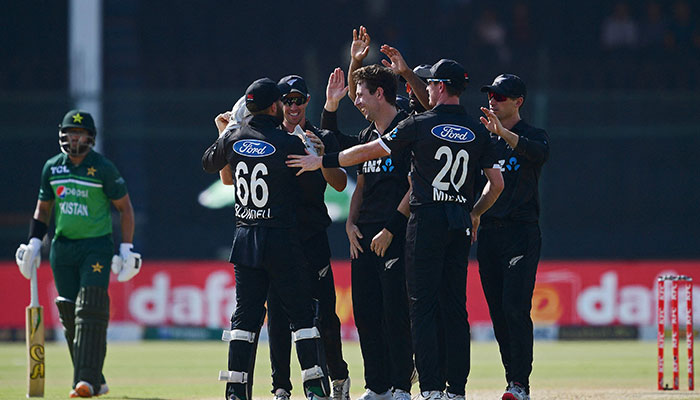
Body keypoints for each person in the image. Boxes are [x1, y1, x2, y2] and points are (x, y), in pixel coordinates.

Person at [287, 59, 504, 400]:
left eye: (431, 84)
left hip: (421, 222)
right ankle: (449, 391)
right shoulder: (478, 129)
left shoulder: (418, 124)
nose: (424, 89)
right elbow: (497, 184)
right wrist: (475, 213)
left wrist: (323, 161)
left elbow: (373, 153)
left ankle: (421, 387)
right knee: (449, 309)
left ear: (441, 87)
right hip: (457, 221)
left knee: (417, 309)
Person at [202, 78, 331, 400]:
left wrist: (228, 129)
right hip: (283, 240)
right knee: (301, 314)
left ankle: (235, 390)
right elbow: (311, 190)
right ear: (275, 106)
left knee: (244, 317)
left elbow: (210, 163)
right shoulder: (288, 142)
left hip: (245, 239)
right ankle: (314, 388)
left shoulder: (233, 137)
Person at [15, 109, 141, 398]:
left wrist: (126, 247)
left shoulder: (103, 168)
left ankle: (83, 381)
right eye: (71, 133)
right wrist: (35, 242)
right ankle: (96, 379)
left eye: (81, 134)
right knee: (70, 313)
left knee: (91, 309)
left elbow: (125, 208)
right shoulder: (52, 168)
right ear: (62, 135)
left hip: (96, 246)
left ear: (91, 138)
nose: (75, 139)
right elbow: (43, 209)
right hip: (63, 247)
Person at [320, 63, 416, 400]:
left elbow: (413, 187)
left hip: (395, 234)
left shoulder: (406, 132)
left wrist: (391, 229)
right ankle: (377, 387)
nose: (357, 101)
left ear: (379, 94)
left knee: (395, 313)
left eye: (361, 95)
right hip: (363, 236)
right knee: (366, 314)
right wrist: (350, 222)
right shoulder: (365, 137)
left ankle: (402, 385)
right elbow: (359, 184)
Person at [264, 74, 351, 400]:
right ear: (278, 104)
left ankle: (338, 378)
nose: (293, 106)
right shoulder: (267, 138)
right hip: (277, 239)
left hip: (312, 237)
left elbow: (340, 184)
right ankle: (281, 387)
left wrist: (321, 158)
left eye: (299, 100)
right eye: (287, 100)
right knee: (278, 318)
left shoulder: (321, 135)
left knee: (325, 315)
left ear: (307, 102)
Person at [477, 74, 549, 400]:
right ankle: (512, 382)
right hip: (489, 234)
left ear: (518, 101)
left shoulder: (533, 134)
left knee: (514, 308)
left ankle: (520, 384)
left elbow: (538, 154)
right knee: (498, 314)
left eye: (501, 96)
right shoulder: (484, 139)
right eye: (491, 94)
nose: (494, 100)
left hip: (521, 232)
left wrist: (502, 134)